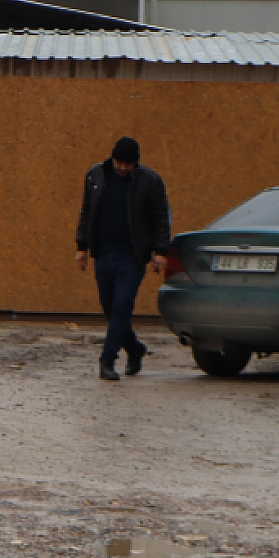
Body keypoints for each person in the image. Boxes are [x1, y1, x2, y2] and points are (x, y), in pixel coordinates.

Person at [74, 136, 171, 381]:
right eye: (120, 163)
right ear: (113, 158)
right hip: (104, 252)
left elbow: (161, 217)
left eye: (129, 164)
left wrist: (160, 251)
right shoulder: (96, 176)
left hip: (132, 255)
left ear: (136, 162)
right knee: (110, 308)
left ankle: (107, 360)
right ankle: (135, 348)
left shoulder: (150, 181)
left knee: (121, 306)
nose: (124, 168)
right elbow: (87, 212)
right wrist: (82, 246)